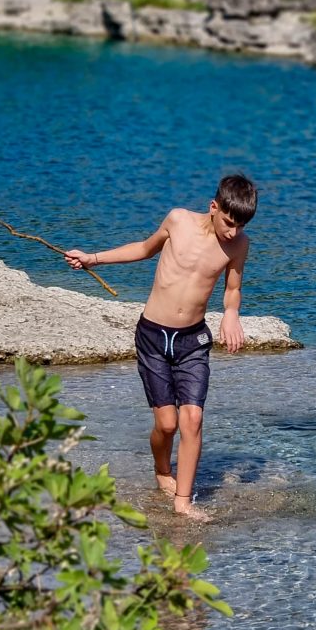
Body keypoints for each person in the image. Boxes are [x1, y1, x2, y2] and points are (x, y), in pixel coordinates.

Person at [64, 174, 258, 521]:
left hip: (193, 341)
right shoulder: (178, 220)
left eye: (240, 225)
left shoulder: (239, 245)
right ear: (214, 207)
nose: (233, 231)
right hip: (153, 335)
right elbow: (143, 248)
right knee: (167, 425)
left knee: (193, 419)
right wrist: (93, 259)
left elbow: (232, 289)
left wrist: (231, 314)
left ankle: (183, 503)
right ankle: (160, 469)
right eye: (229, 222)